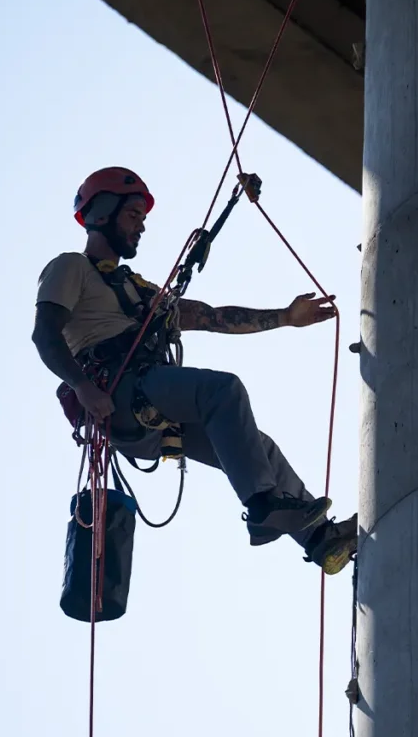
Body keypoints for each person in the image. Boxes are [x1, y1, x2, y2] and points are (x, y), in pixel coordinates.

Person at [33, 167, 357, 574]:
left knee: (259, 447)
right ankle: (262, 507)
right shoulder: (70, 269)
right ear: (100, 213)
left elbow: (210, 317)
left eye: (143, 219)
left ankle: (320, 538)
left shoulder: (138, 291)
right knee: (223, 391)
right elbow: (44, 335)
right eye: (133, 215)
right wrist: (82, 387)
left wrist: (285, 317)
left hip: (153, 405)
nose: (141, 227)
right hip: (119, 393)